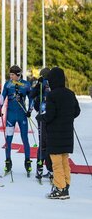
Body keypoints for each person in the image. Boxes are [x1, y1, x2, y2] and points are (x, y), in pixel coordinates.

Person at [36, 67, 80, 199]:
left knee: (56, 162)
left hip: (55, 135)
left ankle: (60, 188)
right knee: (64, 160)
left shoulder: (52, 95)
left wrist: (40, 117)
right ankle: (65, 184)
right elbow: (76, 111)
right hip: (67, 134)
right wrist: (67, 117)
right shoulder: (70, 94)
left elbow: (49, 115)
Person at [0, 65, 33, 176]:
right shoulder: (8, 84)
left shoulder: (26, 84)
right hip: (10, 116)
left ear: (18, 75)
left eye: (13, 74)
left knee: (25, 138)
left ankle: (27, 161)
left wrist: (30, 110)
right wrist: (0, 108)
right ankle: (8, 161)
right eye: (10, 74)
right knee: (8, 139)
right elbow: (3, 97)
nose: (11, 76)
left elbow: (31, 98)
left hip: (22, 115)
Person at [30, 68, 53, 181]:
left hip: (44, 116)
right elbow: (33, 95)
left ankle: (42, 168)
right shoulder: (48, 83)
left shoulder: (46, 83)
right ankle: (48, 169)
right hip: (49, 116)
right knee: (47, 142)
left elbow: (32, 96)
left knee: (43, 143)